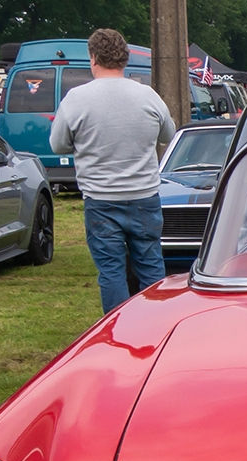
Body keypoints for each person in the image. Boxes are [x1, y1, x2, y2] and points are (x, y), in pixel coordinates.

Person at [50, 28, 175, 313]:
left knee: (111, 270)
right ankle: (158, 323)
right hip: (144, 194)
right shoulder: (148, 95)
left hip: (101, 197)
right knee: (151, 263)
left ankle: (118, 329)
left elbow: (57, 145)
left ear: (93, 58)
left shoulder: (76, 99)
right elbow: (169, 132)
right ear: (125, 58)